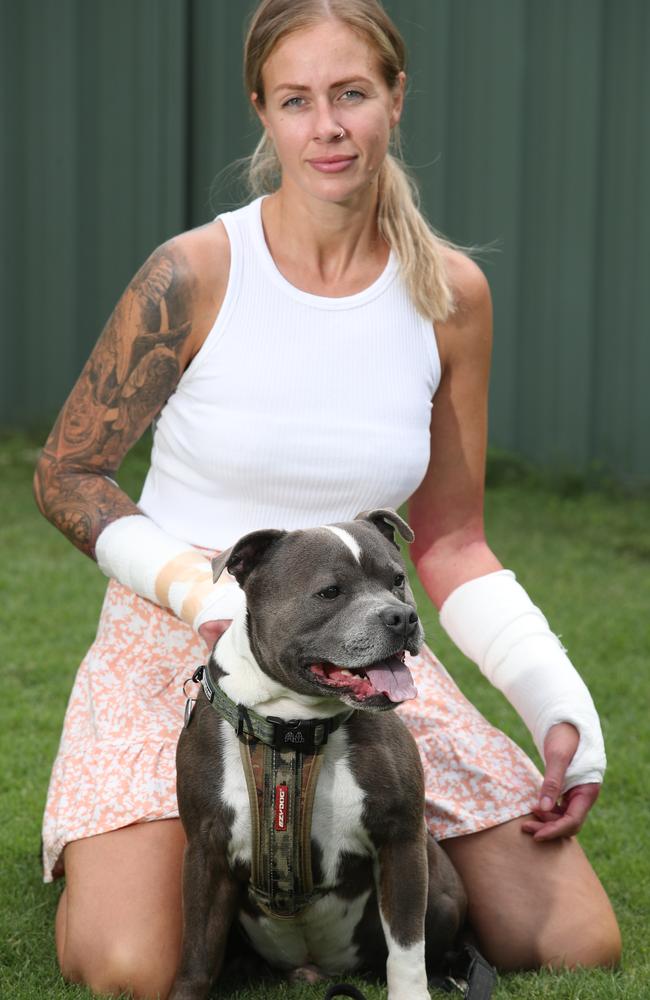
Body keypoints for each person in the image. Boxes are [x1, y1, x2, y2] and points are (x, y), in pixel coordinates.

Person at [34, 1, 621, 997]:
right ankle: (141, 847)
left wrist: (552, 698)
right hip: (180, 645)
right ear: (261, 113)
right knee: (129, 962)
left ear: (394, 96)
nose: (327, 127)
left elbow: (449, 539)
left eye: (350, 93)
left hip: (364, 657)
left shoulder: (449, 294)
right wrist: (196, 592)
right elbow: (68, 473)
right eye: (296, 100)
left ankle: (346, 868)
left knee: (568, 936)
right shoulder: (194, 272)